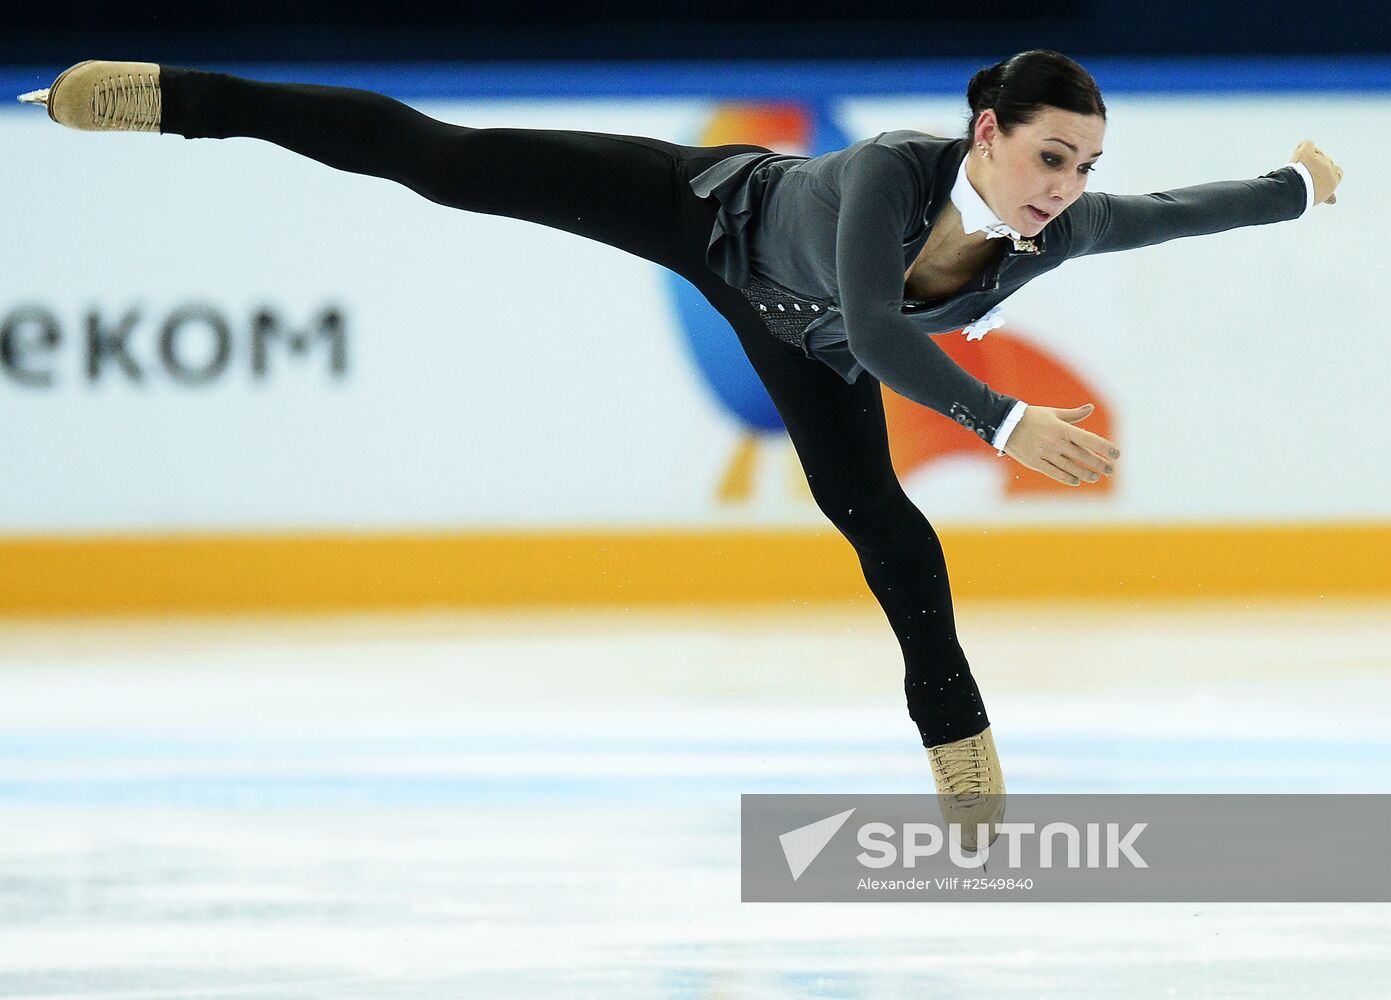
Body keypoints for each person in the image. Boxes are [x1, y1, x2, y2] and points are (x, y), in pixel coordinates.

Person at [21, 51, 1343, 849]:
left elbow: (1179, 210)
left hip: (803, 352)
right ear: (989, 134)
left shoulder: (1066, 226)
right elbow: (883, 328)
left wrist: (1295, 187)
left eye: (1085, 164)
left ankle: (965, 761)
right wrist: (1002, 422)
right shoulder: (891, 168)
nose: (1065, 185)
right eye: (1052, 155)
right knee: (446, 160)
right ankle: (167, 95)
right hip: (713, 222)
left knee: (880, 522)